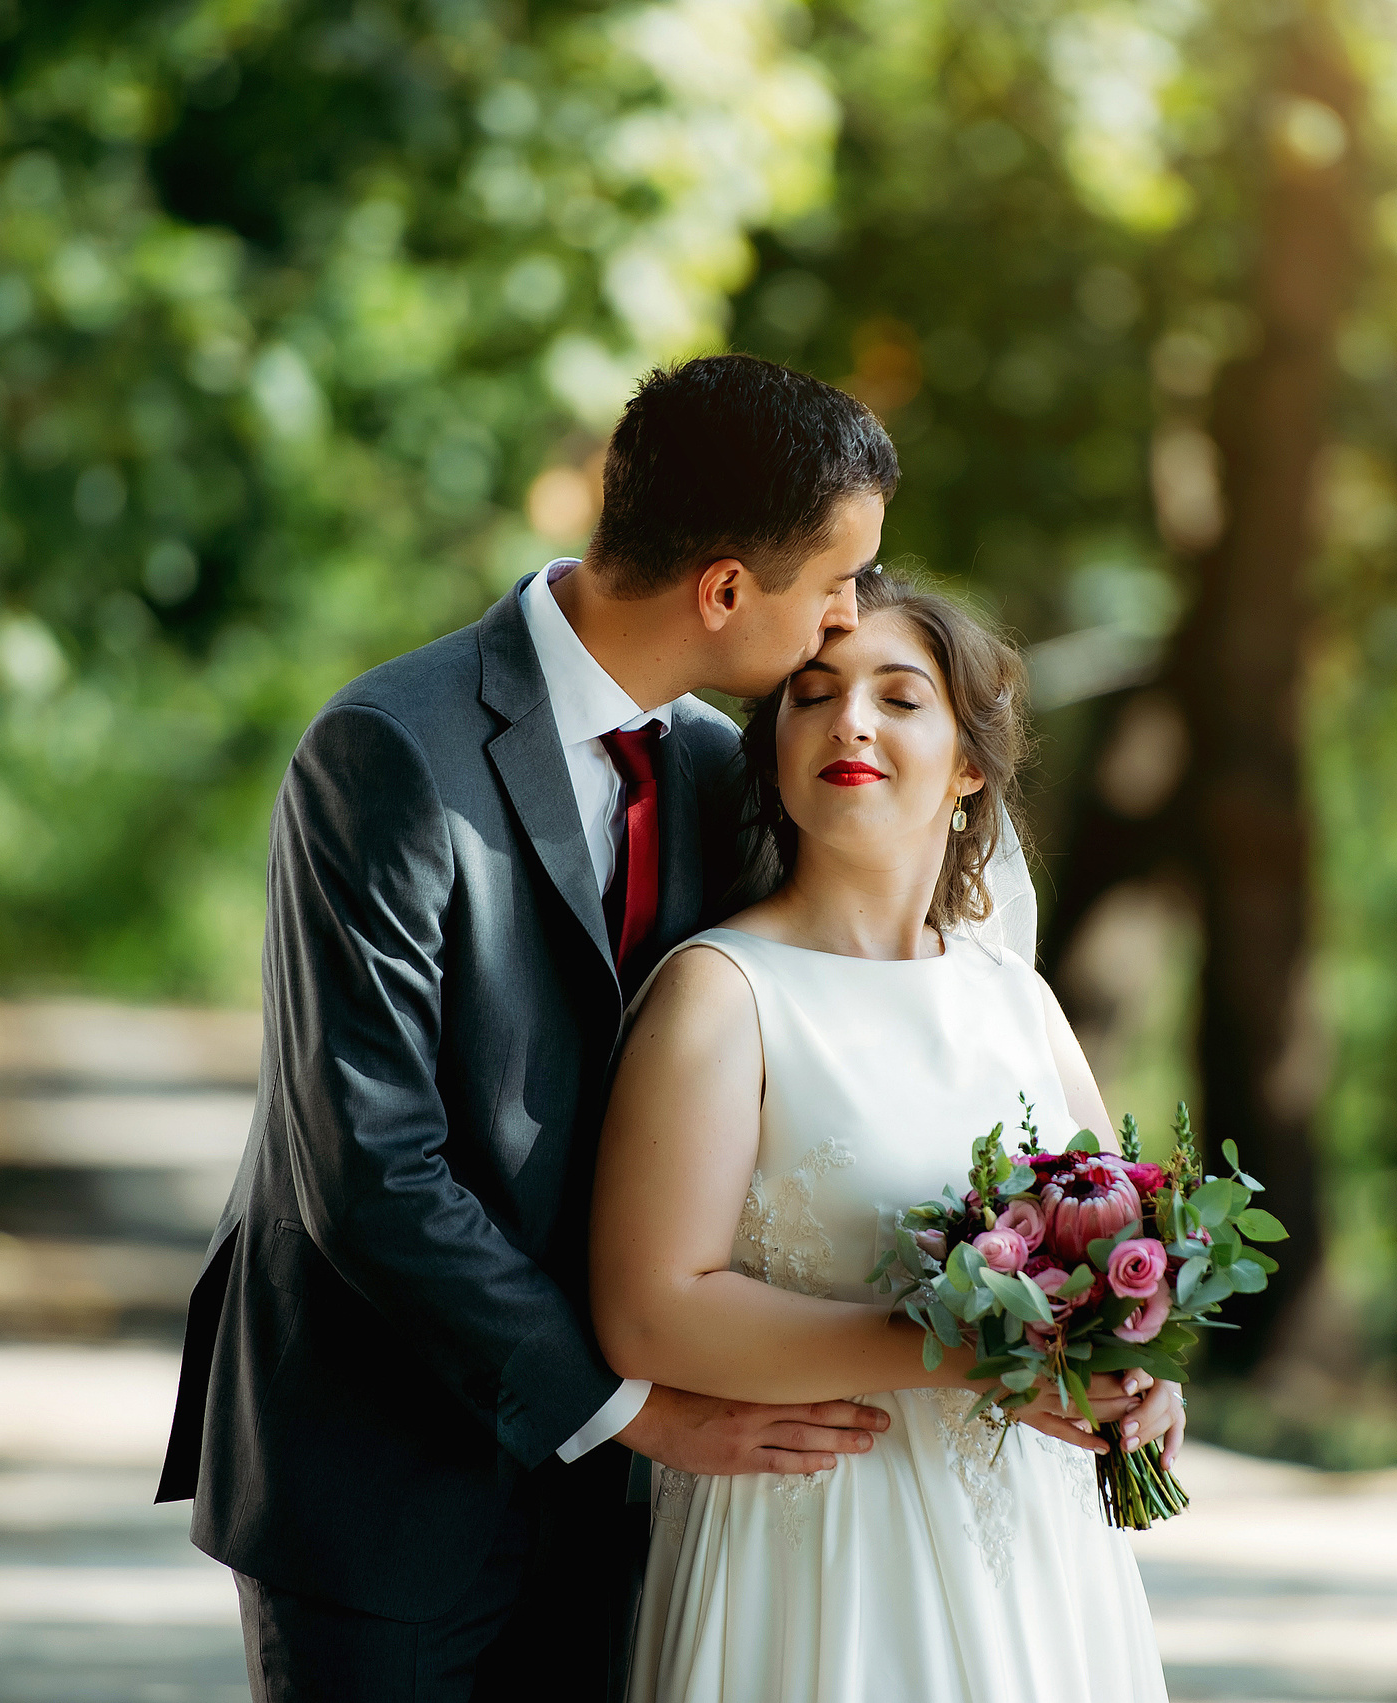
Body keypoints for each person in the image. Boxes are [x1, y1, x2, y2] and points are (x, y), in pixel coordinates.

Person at [155, 353, 1175, 1700]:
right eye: (835, 582)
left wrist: (1101, 1339)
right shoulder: (390, 748)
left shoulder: (715, 769)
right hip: (392, 1465)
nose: (844, 616)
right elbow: (367, 1162)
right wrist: (631, 1403)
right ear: (725, 589)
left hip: (642, 1503)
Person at [593, 569, 1178, 1703]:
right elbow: (648, 1311)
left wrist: (1140, 1377)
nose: (849, 720)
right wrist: (965, 1352)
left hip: (1040, 1559)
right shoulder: (724, 992)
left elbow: (1124, 1256)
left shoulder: (1017, 998)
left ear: (969, 765)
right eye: (812, 694)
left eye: (898, 697)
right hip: (821, 1554)